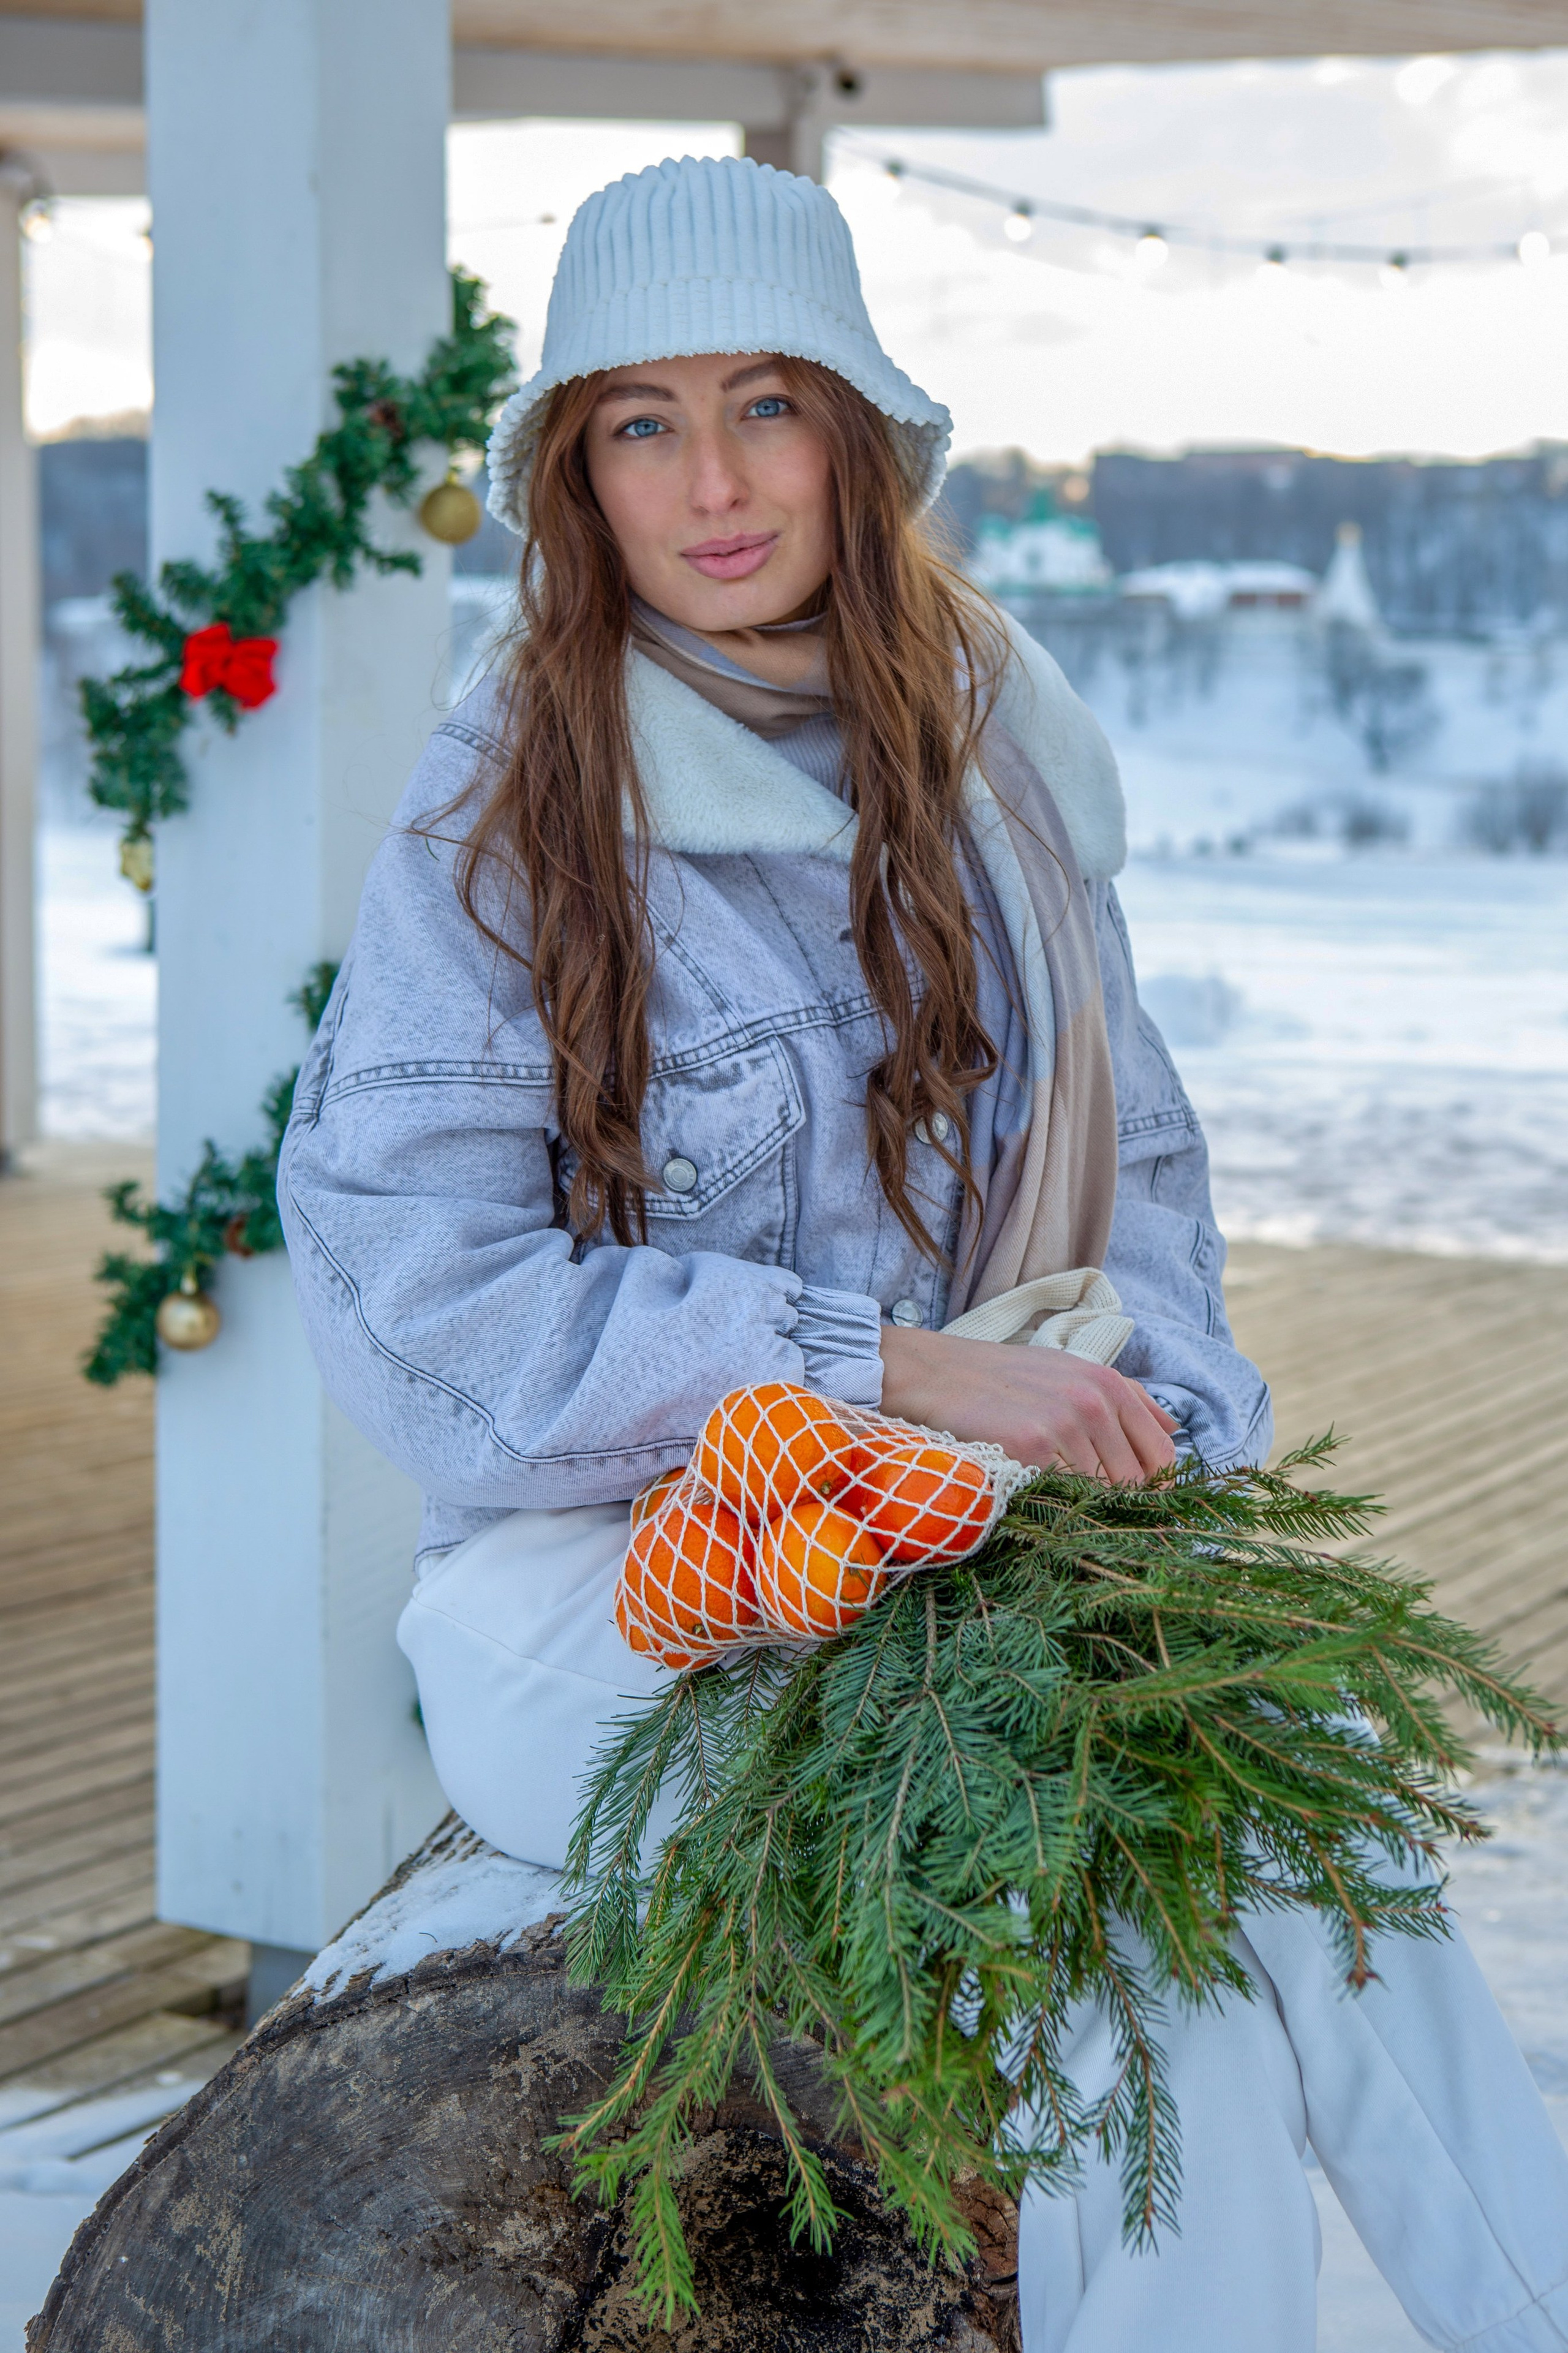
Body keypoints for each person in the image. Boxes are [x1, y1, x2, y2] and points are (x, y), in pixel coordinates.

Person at [279, 155, 1568, 2352]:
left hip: (966, 1536)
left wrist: (1129, 1460)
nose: (711, 483)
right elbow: (419, 1301)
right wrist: (873, 1370)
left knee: (1293, 1862)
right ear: (574, 473)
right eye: (640, 422)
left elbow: (1143, 1194)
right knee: (1091, 1923)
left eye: (767, 405)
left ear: (859, 437)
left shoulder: (1000, 770)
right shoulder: (502, 804)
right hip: (605, 1593)